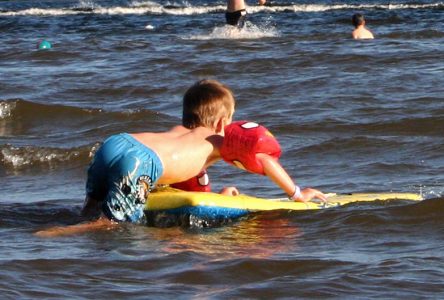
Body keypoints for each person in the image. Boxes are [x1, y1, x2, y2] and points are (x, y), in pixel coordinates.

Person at [80, 79, 326, 225]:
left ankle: (70, 224)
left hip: (117, 143)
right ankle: (54, 236)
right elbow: (263, 157)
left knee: (90, 210)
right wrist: (297, 193)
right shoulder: (220, 138)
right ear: (221, 123)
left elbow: (184, 181)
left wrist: (220, 196)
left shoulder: (177, 132)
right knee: (112, 226)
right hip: (142, 161)